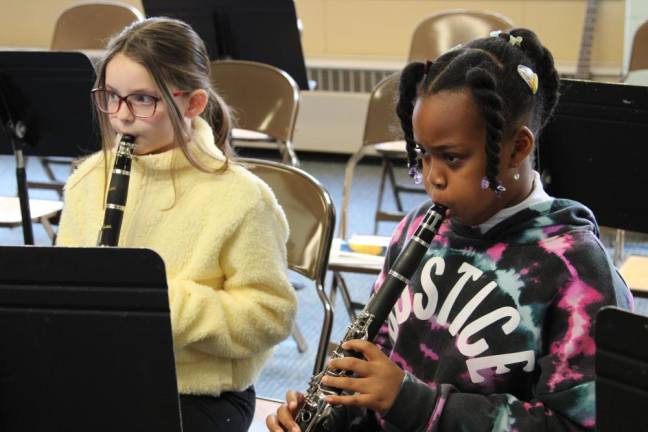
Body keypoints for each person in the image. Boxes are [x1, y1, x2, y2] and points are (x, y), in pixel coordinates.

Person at [267, 28, 633, 431]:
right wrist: (335, 415)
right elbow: (373, 370)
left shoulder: (574, 268)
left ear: (517, 148)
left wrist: (415, 403)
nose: (431, 179)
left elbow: (577, 424)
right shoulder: (413, 233)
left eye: (452, 158)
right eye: (423, 155)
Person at [56, 17, 297, 432]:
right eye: (110, 96)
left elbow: (270, 316)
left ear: (194, 104)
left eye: (142, 100)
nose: (120, 116)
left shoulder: (241, 197)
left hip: (199, 393)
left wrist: (160, 303)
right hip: (104, 376)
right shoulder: (87, 181)